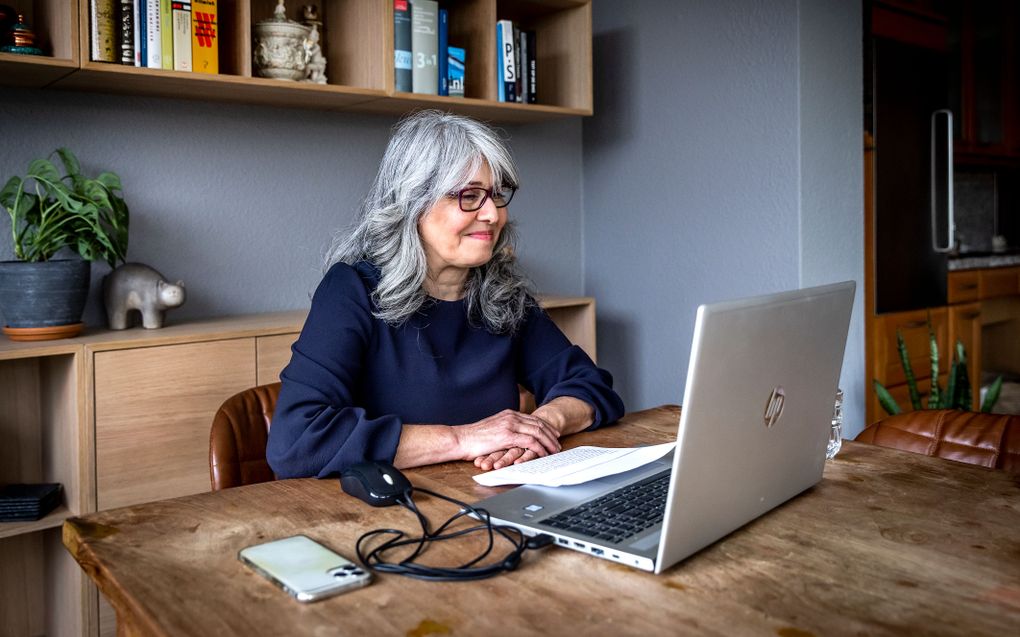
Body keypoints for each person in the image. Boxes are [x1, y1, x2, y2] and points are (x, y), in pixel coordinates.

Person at [267, 110, 625, 479]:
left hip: (485, 498)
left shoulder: (502, 292)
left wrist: (542, 423)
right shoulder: (352, 290)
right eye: (469, 196)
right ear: (413, 204)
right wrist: (462, 439)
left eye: (496, 195)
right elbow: (297, 441)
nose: (492, 214)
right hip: (387, 513)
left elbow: (590, 385)